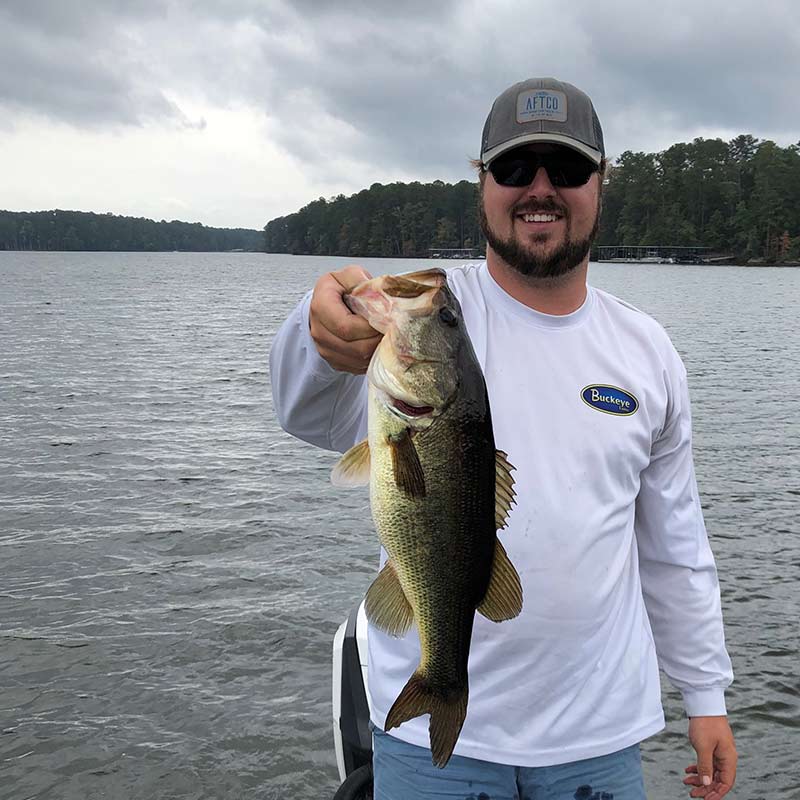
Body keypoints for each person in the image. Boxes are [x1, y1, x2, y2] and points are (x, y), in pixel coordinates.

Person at [270, 77, 737, 800]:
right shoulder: (430, 310)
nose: (540, 189)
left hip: (597, 736)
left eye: (567, 169)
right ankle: (441, 680)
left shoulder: (648, 351)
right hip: (434, 749)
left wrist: (705, 695)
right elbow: (303, 408)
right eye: (516, 169)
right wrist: (317, 326)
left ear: (600, 184)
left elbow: (676, 545)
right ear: (482, 183)